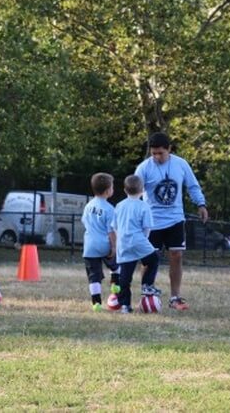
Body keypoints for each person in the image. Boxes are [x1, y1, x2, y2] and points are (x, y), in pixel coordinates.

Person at [134, 132, 208, 311]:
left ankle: (175, 297)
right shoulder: (144, 168)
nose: (157, 157)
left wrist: (201, 204)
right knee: (148, 260)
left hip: (175, 219)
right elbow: (134, 192)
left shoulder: (181, 164)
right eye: (154, 154)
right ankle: (146, 294)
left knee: (176, 255)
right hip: (151, 222)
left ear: (169, 149)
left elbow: (192, 185)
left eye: (161, 153)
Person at [112, 175, 160, 314]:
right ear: (142, 190)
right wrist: (143, 241)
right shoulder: (144, 206)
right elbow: (147, 228)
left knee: (125, 278)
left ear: (125, 190)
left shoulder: (119, 205)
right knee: (153, 259)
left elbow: (114, 226)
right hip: (139, 240)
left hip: (123, 243)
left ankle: (125, 305)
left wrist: (120, 239)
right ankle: (147, 285)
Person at [81, 173, 120, 312]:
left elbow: (85, 222)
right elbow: (111, 231)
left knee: (94, 276)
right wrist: (114, 247)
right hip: (104, 243)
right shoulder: (109, 209)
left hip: (89, 245)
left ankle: (96, 303)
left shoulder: (88, 206)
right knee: (116, 266)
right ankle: (115, 284)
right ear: (108, 190)